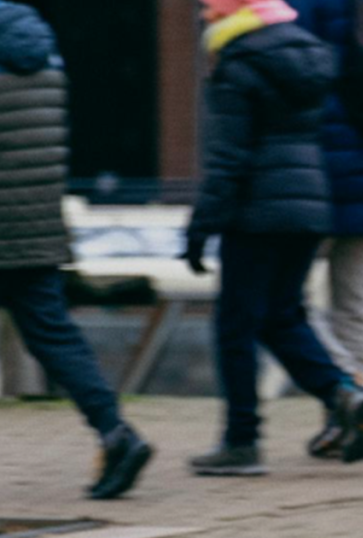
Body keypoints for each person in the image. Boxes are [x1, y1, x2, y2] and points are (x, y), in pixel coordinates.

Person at [184, 0, 363, 474]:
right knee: (281, 316)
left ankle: (241, 442)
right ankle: (344, 392)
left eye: (210, 4)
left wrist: (201, 225)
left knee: (235, 326)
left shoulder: (238, 60)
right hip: (309, 206)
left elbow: (228, 157)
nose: (204, 13)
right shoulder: (306, 51)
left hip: (256, 211)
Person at [0, 0, 152, 500]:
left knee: (51, 335)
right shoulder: (40, 48)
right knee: (54, 336)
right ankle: (116, 432)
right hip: (37, 222)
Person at [287, 0, 363, 460]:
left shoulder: (300, 5)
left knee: (281, 302)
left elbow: (295, 76)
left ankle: (348, 393)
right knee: (361, 308)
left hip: (315, 172)